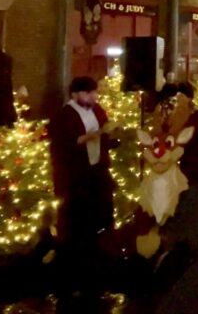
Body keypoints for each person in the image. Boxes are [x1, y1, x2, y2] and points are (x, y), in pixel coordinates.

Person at [48, 77, 115, 288]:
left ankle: (98, 254)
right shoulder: (64, 115)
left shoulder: (96, 110)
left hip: (96, 169)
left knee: (100, 213)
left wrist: (109, 135)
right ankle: (75, 263)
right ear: (76, 95)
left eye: (94, 93)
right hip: (76, 175)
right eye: (88, 93)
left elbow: (104, 129)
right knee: (78, 218)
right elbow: (64, 143)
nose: (94, 97)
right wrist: (91, 136)